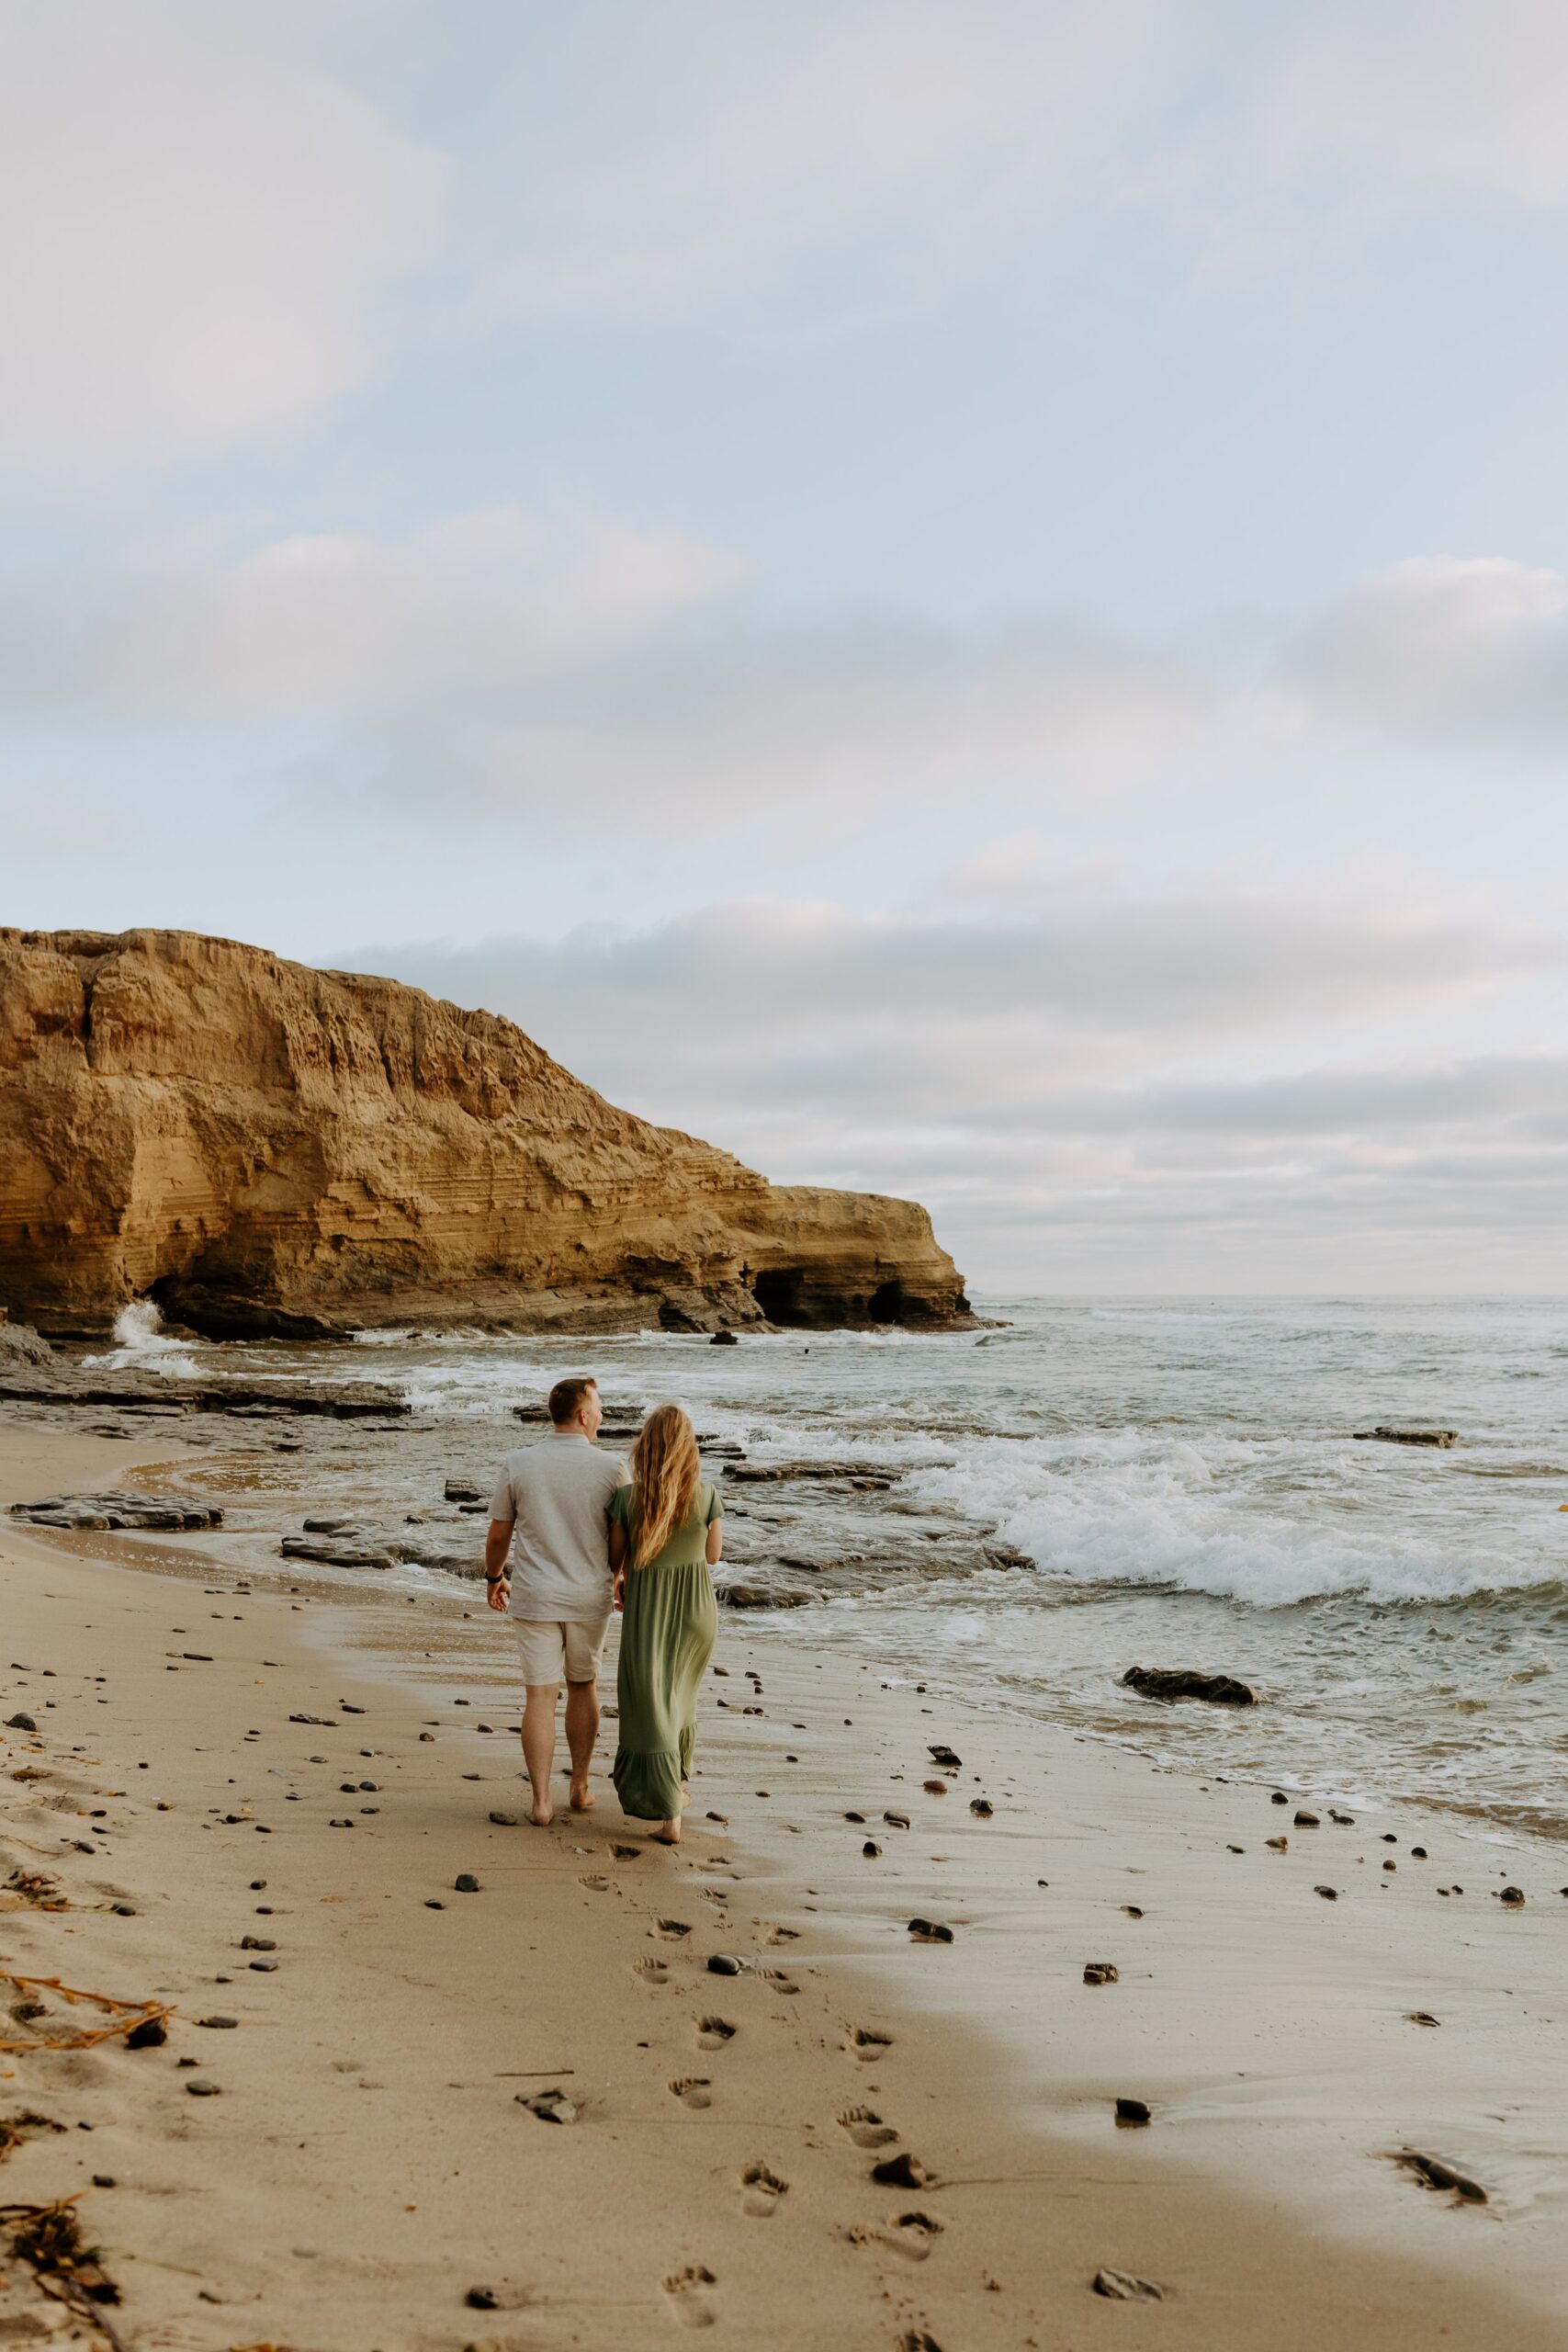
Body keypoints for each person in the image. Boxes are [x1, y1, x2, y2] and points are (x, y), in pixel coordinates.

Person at [484, 1375, 627, 1826]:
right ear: (583, 1415)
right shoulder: (612, 1468)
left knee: (540, 1696)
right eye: (599, 1408)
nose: (603, 1415)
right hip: (590, 1596)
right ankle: (580, 1787)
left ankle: (542, 1802)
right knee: (583, 1686)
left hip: (536, 1595)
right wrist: (616, 1576)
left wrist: (494, 1577)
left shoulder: (520, 1462)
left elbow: (498, 1534)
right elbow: (621, 1540)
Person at [607, 1404, 722, 1844]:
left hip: (648, 1610)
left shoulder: (628, 1499)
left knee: (650, 1703)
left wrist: (624, 1576)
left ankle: (668, 1807)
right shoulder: (707, 1493)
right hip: (697, 1610)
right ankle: (676, 1790)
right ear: (688, 1448)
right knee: (681, 1701)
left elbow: (614, 1560)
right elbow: (712, 1557)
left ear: (646, 1447)